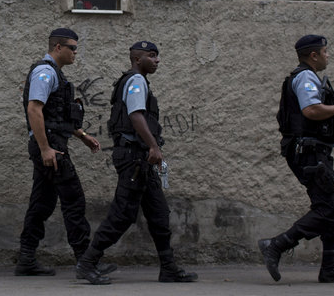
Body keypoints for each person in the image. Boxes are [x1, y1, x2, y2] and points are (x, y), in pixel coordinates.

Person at [76, 41, 198, 285]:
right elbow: (135, 116)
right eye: (152, 56)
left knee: (159, 214)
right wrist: (153, 146)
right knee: (123, 214)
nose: (157, 60)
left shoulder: (137, 80)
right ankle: (88, 263)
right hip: (134, 158)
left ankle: (168, 268)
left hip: (141, 160)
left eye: (157, 56)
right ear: (137, 58)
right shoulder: (136, 81)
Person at [259, 35, 334, 283]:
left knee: (332, 206)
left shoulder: (310, 77)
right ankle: (277, 245)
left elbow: (313, 119)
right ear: (313, 55)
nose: (328, 55)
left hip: (314, 151)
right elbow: (310, 110)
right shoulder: (305, 77)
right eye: (325, 51)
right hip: (308, 154)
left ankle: (330, 267)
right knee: (328, 207)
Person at [15, 28, 115, 278]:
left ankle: (26, 259)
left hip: (51, 147)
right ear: (58, 47)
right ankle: (85, 261)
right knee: (74, 200)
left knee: (41, 203)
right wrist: (46, 148)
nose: (75, 53)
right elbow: (34, 110)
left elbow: (56, 116)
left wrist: (81, 136)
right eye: (72, 48)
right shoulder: (45, 72)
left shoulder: (55, 74)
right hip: (51, 149)